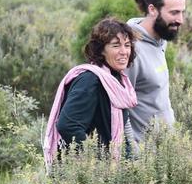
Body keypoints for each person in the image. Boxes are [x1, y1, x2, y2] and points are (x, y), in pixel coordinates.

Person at [43, 18, 138, 168]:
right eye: (116, 45)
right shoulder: (90, 80)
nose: (124, 51)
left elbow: (124, 127)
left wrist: (133, 158)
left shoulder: (116, 80)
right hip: (83, 177)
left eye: (127, 45)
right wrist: (96, 163)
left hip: (109, 174)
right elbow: (68, 125)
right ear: (101, 50)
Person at [126, 0, 186, 142]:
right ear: (152, 9)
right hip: (143, 158)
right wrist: (132, 153)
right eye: (174, 13)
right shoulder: (129, 50)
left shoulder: (160, 40)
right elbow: (117, 107)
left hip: (166, 150)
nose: (180, 20)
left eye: (182, 12)